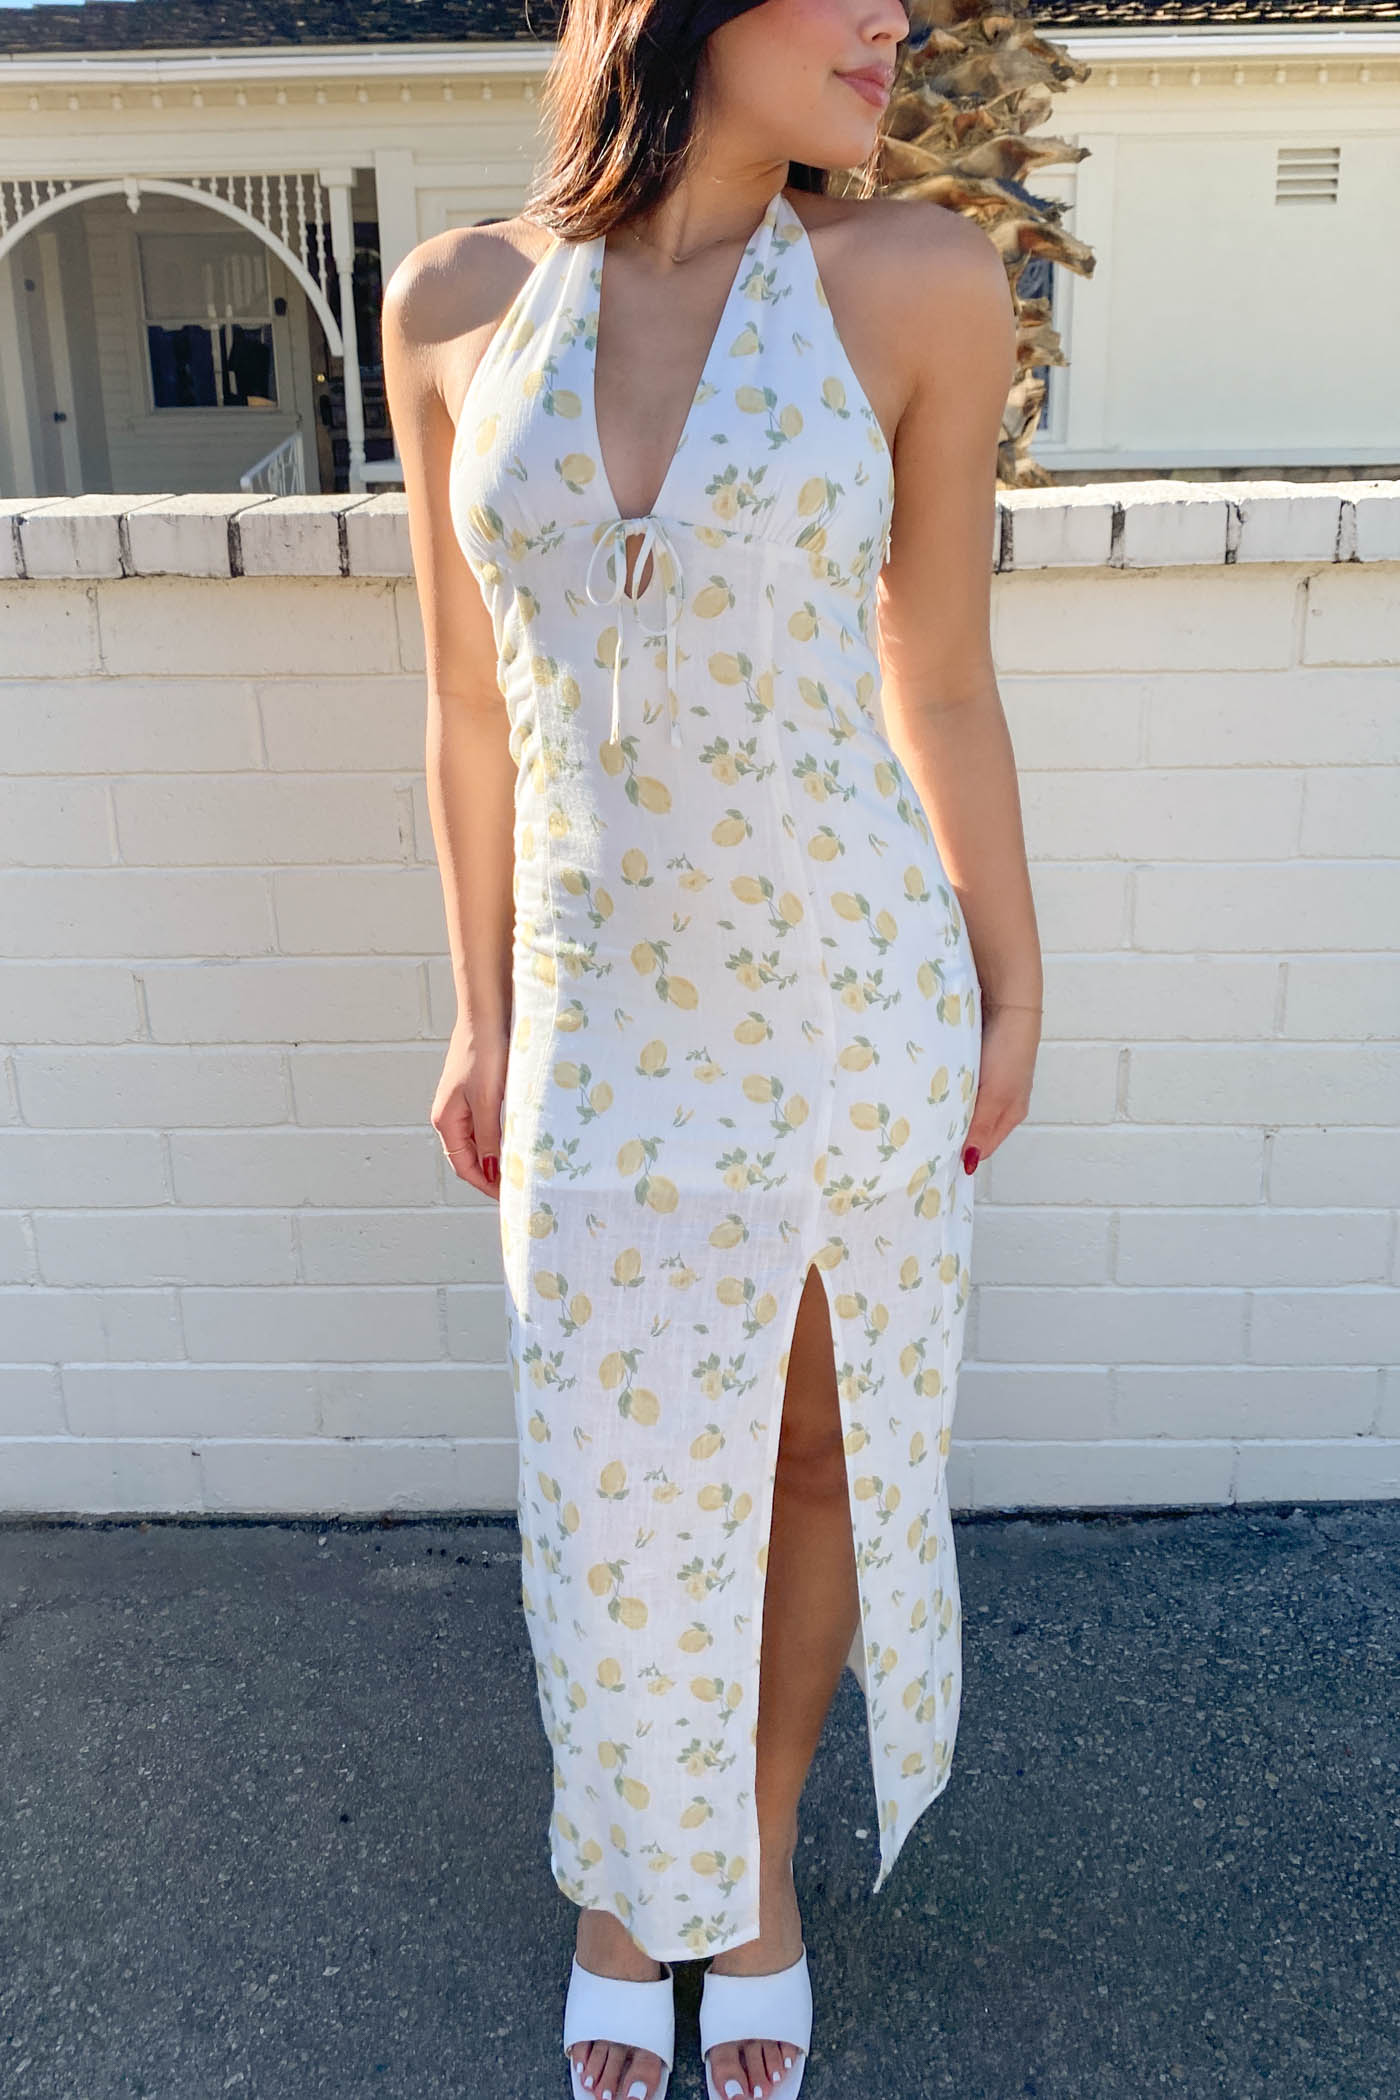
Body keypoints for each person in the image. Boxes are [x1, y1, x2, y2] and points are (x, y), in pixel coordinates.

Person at [382, 0, 1041, 2091]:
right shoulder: (453, 303)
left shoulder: (920, 282)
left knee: (813, 1450)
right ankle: (620, 1870)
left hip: (850, 992)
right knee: (612, 1466)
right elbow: (469, 708)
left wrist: (1013, 982)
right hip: (596, 1003)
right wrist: (480, 1008)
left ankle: (742, 1858)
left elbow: (935, 677)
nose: (899, 20)